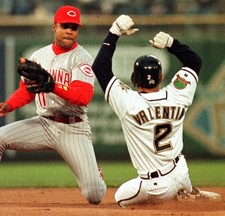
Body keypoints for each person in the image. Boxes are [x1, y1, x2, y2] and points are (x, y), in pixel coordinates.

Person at [0, 5, 106, 207]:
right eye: (65, 26)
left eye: (74, 27)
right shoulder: (39, 56)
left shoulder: (82, 58)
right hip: (43, 124)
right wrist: (10, 104)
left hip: (73, 128)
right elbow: (27, 89)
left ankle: (95, 174)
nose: (70, 30)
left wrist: (53, 85)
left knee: (94, 196)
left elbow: (82, 97)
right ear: (55, 27)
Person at [92, 15, 221, 206]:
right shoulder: (178, 94)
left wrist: (114, 32)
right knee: (172, 179)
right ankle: (186, 192)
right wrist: (171, 43)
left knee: (120, 198)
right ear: (161, 77)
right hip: (181, 172)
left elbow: (100, 67)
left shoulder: (128, 101)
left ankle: (175, 197)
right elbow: (194, 61)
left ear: (134, 79)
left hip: (155, 185)